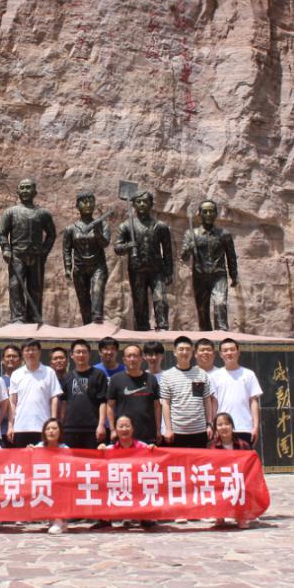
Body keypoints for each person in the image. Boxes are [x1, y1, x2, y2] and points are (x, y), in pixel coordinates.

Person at [0, 179, 56, 323]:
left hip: (36, 256)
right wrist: (6, 249)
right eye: (22, 188)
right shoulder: (10, 212)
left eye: (28, 188)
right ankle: (17, 317)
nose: (25, 191)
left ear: (35, 191)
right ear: (17, 191)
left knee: (35, 288)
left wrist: (44, 252)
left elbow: (51, 234)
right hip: (17, 256)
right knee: (15, 286)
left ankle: (34, 317)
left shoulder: (43, 213)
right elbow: (2, 233)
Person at [114, 190, 174, 331]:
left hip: (157, 270)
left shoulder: (161, 226)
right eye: (138, 202)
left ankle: (162, 326)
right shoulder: (126, 226)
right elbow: (117, 248)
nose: (142, 204)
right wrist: (128, 245)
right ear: (134, 205)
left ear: (151, 204)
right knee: (139, 302)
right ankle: (142, 328)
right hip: (137, 270)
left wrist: (169, 271)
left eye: (145, 201)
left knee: (160, 299)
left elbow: (167, 252)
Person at [180, 199, 238, 331]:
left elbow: (231, 256)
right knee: (202, 311)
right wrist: (190, 247)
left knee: (220, 303)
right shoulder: (191, 234)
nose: (208, 214)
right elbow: (184, 257)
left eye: (211, 211)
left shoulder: (224, 234)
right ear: (199, 214)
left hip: (218, 275)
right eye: (205, 211)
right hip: (200, 276)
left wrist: (234, 275)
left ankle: (222, 332)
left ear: (216, 214)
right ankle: (206, 336)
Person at [63, 191, 111, 325]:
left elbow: (105, 243)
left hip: (98, 267)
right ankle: (87, 327)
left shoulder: (102, 224)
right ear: (77, 206)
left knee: (97, 295)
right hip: (79, 268)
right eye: (84, 202)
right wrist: (68, 268)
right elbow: (66, 250)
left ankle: (97, 323)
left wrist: (97, 231)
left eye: (91, 201)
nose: (88, 205)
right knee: (84, 302)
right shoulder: (71, 229)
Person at [160, 336, 217, 448]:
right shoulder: (167, 375)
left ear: (192, 352)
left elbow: (206, 400)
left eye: (187, 349)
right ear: (174, 352)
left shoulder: (201, 374)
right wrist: (168, 429)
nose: (184, 352)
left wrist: (209, 424)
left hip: (200, 430)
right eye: (181, 349)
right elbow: (166, 403)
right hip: (177, 431)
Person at [8, 340, 61, 448]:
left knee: (43, 457)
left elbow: (54, 399)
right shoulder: (16, 374)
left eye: (33, 350)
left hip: (43, 427)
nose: (31, 353)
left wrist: (53, 422)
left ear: (40, 352)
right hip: (21, 427)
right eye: (27, 350)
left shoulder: (49, 372)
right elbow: (12, 402)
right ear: (22, 353)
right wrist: (10, 426)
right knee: (22, 457)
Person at [210, 339, 262, 446]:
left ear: (238, 352)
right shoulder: (215, 376)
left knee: (244, 456)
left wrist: (255, 427)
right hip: (222, 427)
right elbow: (214, 403)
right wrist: (213, 426)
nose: (229, 353)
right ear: (220, 354)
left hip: (244, 427)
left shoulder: (249, 374)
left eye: (232, 349)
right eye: (225, 350)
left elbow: (253, 401)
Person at [106, 344, 162, 445]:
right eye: (129, 356)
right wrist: (112, 430)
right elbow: (110, 406)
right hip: (123, 434)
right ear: (124, 360)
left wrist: (158, 430)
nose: (132, 359)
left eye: (135, 356)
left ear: (141, 358)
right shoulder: (116, 379)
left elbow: (157, 406)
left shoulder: (151, 379)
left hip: (147, 433)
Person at [59, 339, 108, 449]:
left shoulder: (98, 375)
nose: (81, 355)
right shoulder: (66, 377)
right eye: (78, 352)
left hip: (92, 427)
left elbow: (103, 402)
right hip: (70, 428)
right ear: (71, 355)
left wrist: (101, 425)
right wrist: (61, 424)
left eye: (84, 352)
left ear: (89, 354)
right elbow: (64, 403)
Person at [211, 412, 255, 529]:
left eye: (227, 424)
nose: (224, 427)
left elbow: (250, 464)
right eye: (220, 425)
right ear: (216, 429)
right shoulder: (212, 446)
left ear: (232, 426)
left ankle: (241, 516)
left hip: (238, 478)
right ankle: (220, 515)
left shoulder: (243, 445)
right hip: (221, 479)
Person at [31, 418, 69, 534]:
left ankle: (59, 519)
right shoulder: (38, 447)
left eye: (54, 428)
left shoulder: (65, 449)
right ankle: (54, 519)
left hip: (60, 482)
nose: (51, 431)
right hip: (43, 481)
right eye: (48, 429)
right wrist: (29, 452)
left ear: (60, 432)